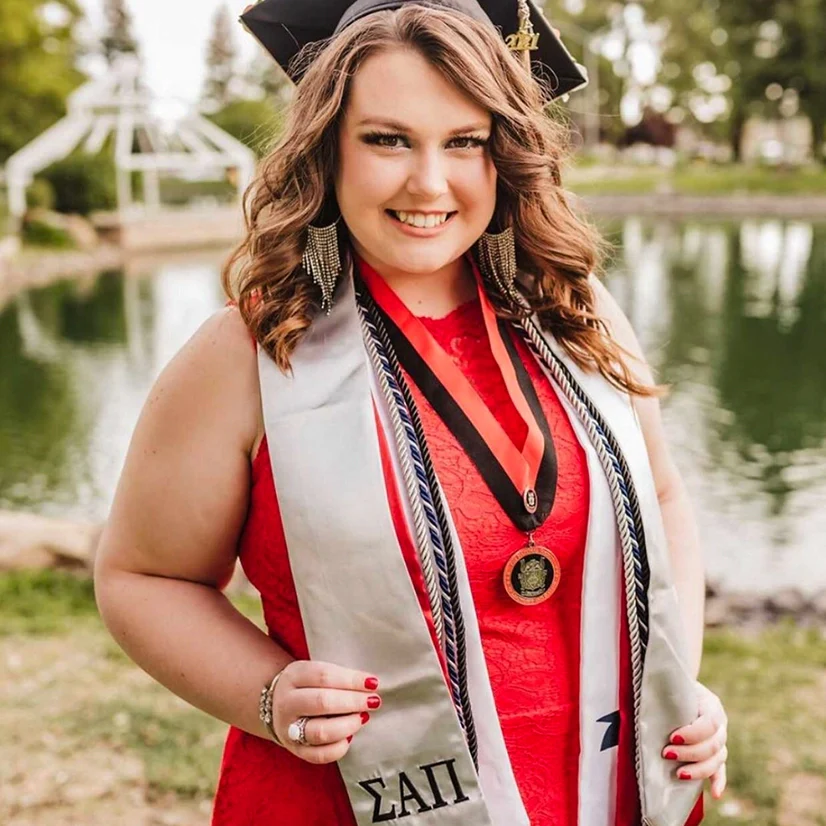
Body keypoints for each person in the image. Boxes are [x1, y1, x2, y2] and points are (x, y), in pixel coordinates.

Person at [94, 1, 729, 824]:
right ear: (328, 148)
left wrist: (679, 679)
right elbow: (143, 576)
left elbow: (666, 501)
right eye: (387, 139)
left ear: (504, 153)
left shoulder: (578, 313)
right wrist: (268, 693)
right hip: (348, 799)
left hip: (598, 793)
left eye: (464, 141)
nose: (429, 182)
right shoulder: (254, 352)